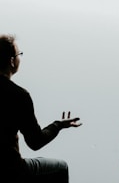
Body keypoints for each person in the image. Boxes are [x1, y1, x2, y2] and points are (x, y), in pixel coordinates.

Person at [0, 34, 82, 183]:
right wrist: (58, 125)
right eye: (19, 54)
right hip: (9, 169)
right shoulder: (19, 95)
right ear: (12, 61)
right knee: (60, 168)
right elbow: (35, 142)